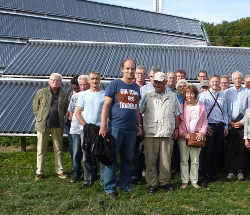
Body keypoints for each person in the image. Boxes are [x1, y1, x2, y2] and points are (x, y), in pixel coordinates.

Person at [100, 59, 143, 199]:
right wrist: (103, 125)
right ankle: (110, 188)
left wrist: (139, 125)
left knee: (127, 159)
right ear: (122, 69)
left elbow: (137, 108)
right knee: (111, 158)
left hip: (131, 129)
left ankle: (125, 185)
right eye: (128, 68)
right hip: (115, 128)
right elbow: (106, 105)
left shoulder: (136, 87)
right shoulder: (115, 84)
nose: (130, 71)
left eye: (132, 69)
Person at [140, 72, 182, 194]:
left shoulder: (172, 96)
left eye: (159, 82)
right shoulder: (147, 95)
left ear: (165, 82)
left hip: (167, 132)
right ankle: (152, 184)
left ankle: (164, 182)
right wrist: (139, 126)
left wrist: (177, 128)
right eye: (155, 82)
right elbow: (139, 111)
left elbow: (177, 113)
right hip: (150, 132)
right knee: (150, 160)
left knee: (166, 159)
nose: (157, 84)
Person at [32, 73, 69, 180]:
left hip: (57, 125)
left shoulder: (64, 94)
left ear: (61, 82)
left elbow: (65, 109)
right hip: (43, 125)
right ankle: (40, 172)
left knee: (58, 149)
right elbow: (35, 107)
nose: (55, 82)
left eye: (57, 80)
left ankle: (60, 171)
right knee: (41, 149)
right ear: (49, 81)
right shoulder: (41, 92)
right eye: (52, 80)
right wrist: (40, 117)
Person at [74, 71, 106, 189]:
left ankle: (103, 181)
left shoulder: (105, 94)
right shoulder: (83, 95)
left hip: (100, 130)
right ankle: (88, 180)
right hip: (86, 130)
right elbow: (77, 113)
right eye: (92, 78)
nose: (94, 81)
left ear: (100, 79)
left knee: (102, 155)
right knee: (86, 155)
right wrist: (86, 126)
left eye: (96, 78)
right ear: (88, 80)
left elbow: (107, 112)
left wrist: (103, 126)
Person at [199, 75, 229, 187]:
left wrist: (225, 126)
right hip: (209, 126)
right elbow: (201, 113)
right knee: (208, 153)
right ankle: (204, 176)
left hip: (220, 126)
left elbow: (225, 112)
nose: (215, 83)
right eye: (213, 81)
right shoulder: (203, 95)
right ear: (209, 83)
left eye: (217, 81)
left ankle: (213, 174)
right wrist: (205, 126)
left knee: (217, 152)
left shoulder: (223, 95)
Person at [224, 71, 250, 181]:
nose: (237, 80)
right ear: (232, 80)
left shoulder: (247, 92)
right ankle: (231, 171)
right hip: (230, 124)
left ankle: (240, 171)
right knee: (230, 149)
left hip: (242, 125)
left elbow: (249, 110)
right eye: (235, 79)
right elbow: (224, 109)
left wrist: (242, 122)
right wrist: (229, 122)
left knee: (241, 150)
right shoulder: (227, 92)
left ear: (242, 80)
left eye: (239, 78)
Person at [178, 85, 208, 189]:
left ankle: (194, 181)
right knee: (184, 160)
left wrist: (202, 133)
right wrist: (182, 133)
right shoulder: (181, 105)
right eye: (187, 93)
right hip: (184, 137)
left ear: (195, 94)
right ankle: (184, 180)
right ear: (185, 95)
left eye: (191, 93)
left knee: (195, 160)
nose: (189, 95)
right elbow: (179, 122)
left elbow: (205, 121)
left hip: (197, 138)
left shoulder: (201, 105)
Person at [67, 75, 89, 182]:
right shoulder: (75, 97)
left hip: (88, 129)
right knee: (76, 152)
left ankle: (90, 173)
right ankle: (76, 173)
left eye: (85, 84)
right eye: (80, 85)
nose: (83, 87)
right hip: (76, 128)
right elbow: (70, 113)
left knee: (88, 152)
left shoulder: (92, 96)